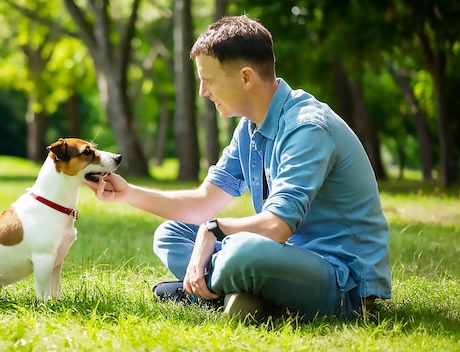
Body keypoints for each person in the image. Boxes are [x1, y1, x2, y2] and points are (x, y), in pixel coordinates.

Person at [86, 15, 391, 321]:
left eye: (210, 80)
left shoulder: (307, 128)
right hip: (284, 258)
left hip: (341, 280)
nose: (203, 92)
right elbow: (203, 203)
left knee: (242, 253)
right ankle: (245, 294)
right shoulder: (249, 128)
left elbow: (276, 227)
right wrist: (128, 194)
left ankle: (218, 289)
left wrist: (215, 230)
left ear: (246, 78)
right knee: (171, 234)